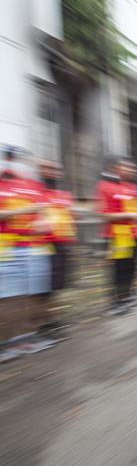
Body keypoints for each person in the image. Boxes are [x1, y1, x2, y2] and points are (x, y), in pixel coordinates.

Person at [0, 146, 52, 344]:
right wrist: (25, 209)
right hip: (7, 247)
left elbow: (43, 209)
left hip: (35, 246)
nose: (19, 163)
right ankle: (13, 340)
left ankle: (30, 336)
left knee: (35, 293)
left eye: (22, 159)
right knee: (12, 295)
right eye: (13, 159)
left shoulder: (34, 184)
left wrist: (43, 221)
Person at [95, 156, 137, 316]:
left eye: (133, 168)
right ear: (115, 168)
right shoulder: (104, 186)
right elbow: (104, 215)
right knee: (119, 269)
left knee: (133, 267)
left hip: (134, 234)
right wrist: (130, 214)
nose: (133, 171)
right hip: (116, 235)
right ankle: (115, 302)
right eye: (128, 168)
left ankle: (128, 297)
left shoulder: (132, 187)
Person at [39, 159, 77, 332]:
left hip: (62, 245)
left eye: (55, 169)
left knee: (57, 284)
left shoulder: (64, 195)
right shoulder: (35, 192)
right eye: (47, 168)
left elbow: (70, 218)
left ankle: (53, 319)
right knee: (43, 284)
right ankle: (44, 323)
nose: (52, 172)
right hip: (42, 246)